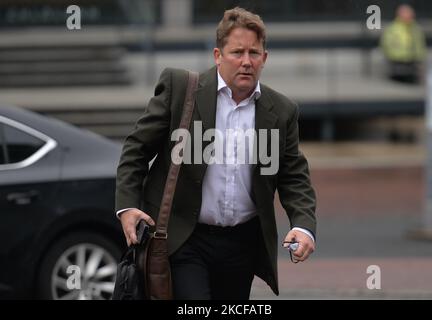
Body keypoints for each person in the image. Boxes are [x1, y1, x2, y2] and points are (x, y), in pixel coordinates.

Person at [115, 7, 316, 300]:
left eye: (254, 53)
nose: (246, 62)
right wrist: (127, 206)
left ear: (265, 58)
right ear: (218, 55)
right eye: (237, 52)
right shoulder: (181, 89)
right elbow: (136, 149)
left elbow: (293, 175)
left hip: (243, 244)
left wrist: (303, 225)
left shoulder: (282, 110)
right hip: (185, 238)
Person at [380, 4, 426, 84]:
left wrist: (420, 57)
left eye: (410, 13)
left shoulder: (415, 28)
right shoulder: (393, 28)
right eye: (406, 13)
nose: (409, 15)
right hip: (397, 60)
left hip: (413, 60)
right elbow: (387, 45)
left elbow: (420, 44)